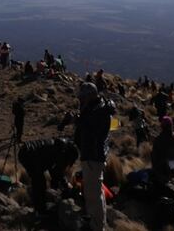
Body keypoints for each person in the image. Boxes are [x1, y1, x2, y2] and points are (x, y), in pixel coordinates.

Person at [74, 82, 113, 231]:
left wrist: (79, 120)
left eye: (83, 98)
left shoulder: (97, 112)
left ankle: (96, 226)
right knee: (97, 192)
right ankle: (98, 222)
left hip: (92, 157)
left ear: (89, 97)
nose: (81, 101)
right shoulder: (99, 109)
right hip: (95, 156)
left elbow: (92, 132)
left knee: (92, 194)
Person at [18, 137, 79, 215]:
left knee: (39, 181)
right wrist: (65, 185)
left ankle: (40, 208)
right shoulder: (62, 152)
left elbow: (54, 170)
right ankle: (40, 211)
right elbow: (57, 171)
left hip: (26, 151)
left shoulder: (58, 146)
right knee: (39, 182)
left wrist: (61, 183)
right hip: (29, 154)